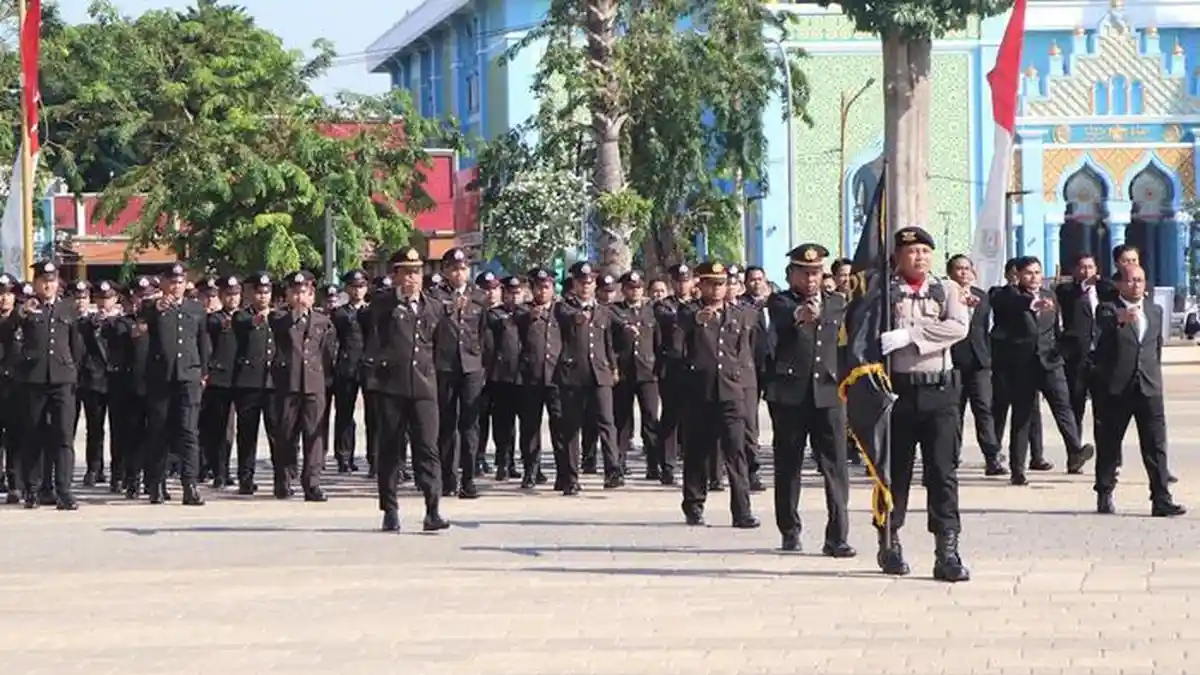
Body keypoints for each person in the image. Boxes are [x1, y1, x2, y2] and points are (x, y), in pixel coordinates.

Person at [876, 226, 969, 582]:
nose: (920, 257)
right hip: (897, 392)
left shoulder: (945, 289)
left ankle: (947, 550)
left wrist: (911, 336)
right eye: (912, 251)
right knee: (894, 472)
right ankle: (890, 539)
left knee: (942, 472)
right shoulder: (884, 293)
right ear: (898, 257)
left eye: (925, 252)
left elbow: (957, 328)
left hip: (940, 392)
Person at [766, 244, 853, 555]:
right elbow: (785, 318)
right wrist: (801, 314)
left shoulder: (837, 303)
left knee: (836, 465)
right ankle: (789, 529)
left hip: (829, 394)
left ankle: (838, 536)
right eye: (804, 272)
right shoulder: (780, 301)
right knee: (788, 464)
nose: (811, 278)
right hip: (791, 395)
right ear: (791, 274)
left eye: (816, 272)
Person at [361, 246, 449, 532]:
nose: (413, 278)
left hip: (424, 386)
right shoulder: (382, 304)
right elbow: (372, 336)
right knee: (390, 449)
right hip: (391, 387)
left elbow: (440, 346)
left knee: (428, 448)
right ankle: (390, 509)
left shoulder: (433, 305)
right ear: (396, 275)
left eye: (417, 272)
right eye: (407, 272)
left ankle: (432, 509)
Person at [1090, 265, 1185, 517]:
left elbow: (1155, 348)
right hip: (1117, 389)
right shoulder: (1107, 309)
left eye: (1140, 280)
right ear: (1120, 284)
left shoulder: (1154, 310)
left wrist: (1155, 377)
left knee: (1156, 445)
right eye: (1130, 280)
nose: (1136, 285)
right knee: (1110, 444)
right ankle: (1105, 491)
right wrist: (1119, 319)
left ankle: (1161, 498)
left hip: (1149, 387)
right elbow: (1103, 326)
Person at [990, 256, 1095, 483]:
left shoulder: (1050, 295)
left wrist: (1061, 352)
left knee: (1063, 407)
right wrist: (1031, 304)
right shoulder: (1006, 295)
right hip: (1022, 366)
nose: (1034, 277)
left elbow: (1055, 329)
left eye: (1037, 272)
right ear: (1018, 275)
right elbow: (1009, 304)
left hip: (1050, 362)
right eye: (1029, 273)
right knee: (1023, 416)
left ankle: (1075, 449)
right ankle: (1018, 469)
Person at [678, 261, 759, 529]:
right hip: (699, 393)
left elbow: (746, 351)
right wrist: (695, 322)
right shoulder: (687, 312)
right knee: (697, 452)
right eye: (711, 283)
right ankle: (694, 505)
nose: (716, 289)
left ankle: (742, 511)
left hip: (731, 392)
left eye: (721, 283)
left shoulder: (739, 314)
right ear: (699, 285)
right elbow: (677, 334)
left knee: (736, 452)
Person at [138, 262, 210, 506]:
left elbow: (202, 342)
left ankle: (190, 485)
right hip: (161, 377)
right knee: (159, 431)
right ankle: (156, 484)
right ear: (164, 283)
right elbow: (141, 318)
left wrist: (203, 372)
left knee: (188, 432)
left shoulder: (196, 308)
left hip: (188, 376)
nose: (176, 285)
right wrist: (156, 306)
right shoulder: (153, 306)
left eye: (180, 281)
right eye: (171, 281)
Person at [16, 261, 82, 510]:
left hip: (62, 379)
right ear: (36, 283)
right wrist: (21, 312)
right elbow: (10, 332)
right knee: (34, 434)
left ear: (58, 283)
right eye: (44, 280)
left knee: (64, 436)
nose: (48, 284)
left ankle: (64, 490)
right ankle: (32, 490)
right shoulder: (27, 309)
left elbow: (77, 345)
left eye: (52, 280)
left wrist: (73, 372)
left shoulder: (68, 308)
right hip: (34, 379)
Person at [554, 261, 623, 491]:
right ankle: (570, 477)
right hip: (572, 374)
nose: (586, 286)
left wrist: (613, 367)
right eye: (582, 283)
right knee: (571, 427)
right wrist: (579, 316)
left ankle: (612, 470)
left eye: (590, 282)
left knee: (607, 422)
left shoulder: (603, 310)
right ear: (574, 284)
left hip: (599, 374)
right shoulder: (563, 307)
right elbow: (569, 319)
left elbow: (609, 343)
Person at [270, 271, 336, 501]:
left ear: (312, 296)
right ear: (288, 295)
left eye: (304, 293)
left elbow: (327, 353)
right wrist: (294, 315)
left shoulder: (322, 321)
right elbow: (279, 332)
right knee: (286, 435)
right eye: (295, 292)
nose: (300, 297)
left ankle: (312, 483)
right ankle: (284, 479)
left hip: (314, 384)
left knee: (314, 435)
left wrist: (325, 380)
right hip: (288, 384)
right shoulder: (279, 319)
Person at [429, 248, 489, 497]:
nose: (459, 273)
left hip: (471, 366)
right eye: (454, 269)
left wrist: (482, 365)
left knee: (470, 424)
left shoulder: (479, 296)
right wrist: (450, 308)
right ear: (444, 271)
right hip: (444, 366)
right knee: (447, 423)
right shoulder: (434, 297)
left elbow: (484, 335)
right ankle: (448, 477)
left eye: (463, 268)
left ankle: (468, 478)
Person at [946, 255, 1005, 476]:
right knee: (953, 412)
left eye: (966, 269)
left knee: (984, 410)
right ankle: (950, 457)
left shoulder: (982, 296)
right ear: (950, 273)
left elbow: (988, 328)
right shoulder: (943, 294)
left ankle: (992, 457)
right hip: (953, 361)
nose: (963, 273)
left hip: (979, 362)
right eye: (958, 269)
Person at [610, 270, 661, 481]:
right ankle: (618, 465)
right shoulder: (614, 312)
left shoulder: (652, 312)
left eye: (638, 287)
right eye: (631, 288)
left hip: (648, 373)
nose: (635, 291)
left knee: (650, 419)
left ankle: (653, 465)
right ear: (623, 290)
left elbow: (658, 342)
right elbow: (609, 344)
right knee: (622, 421)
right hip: (624, 373)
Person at [199, 275, 241, 488]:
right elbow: (206, 349)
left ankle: (226, 469)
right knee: (216, 427)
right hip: (219, 380)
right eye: (228, 295)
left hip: (239, 379)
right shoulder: (214, 320)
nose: (233, 299)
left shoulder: (244, 319)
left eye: (235, 295)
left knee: (229, 431)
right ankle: (218, 471)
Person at [331, 269, 370, 473]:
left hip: (368, 367)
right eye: (354, 287)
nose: (358, 291)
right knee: (345, 414)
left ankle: (375, 458)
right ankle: (344, 457)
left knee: (373, 415)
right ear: (347, 288)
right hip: (346, 367)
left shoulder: (371, 311)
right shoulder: (339, 313)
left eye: (362, 286)